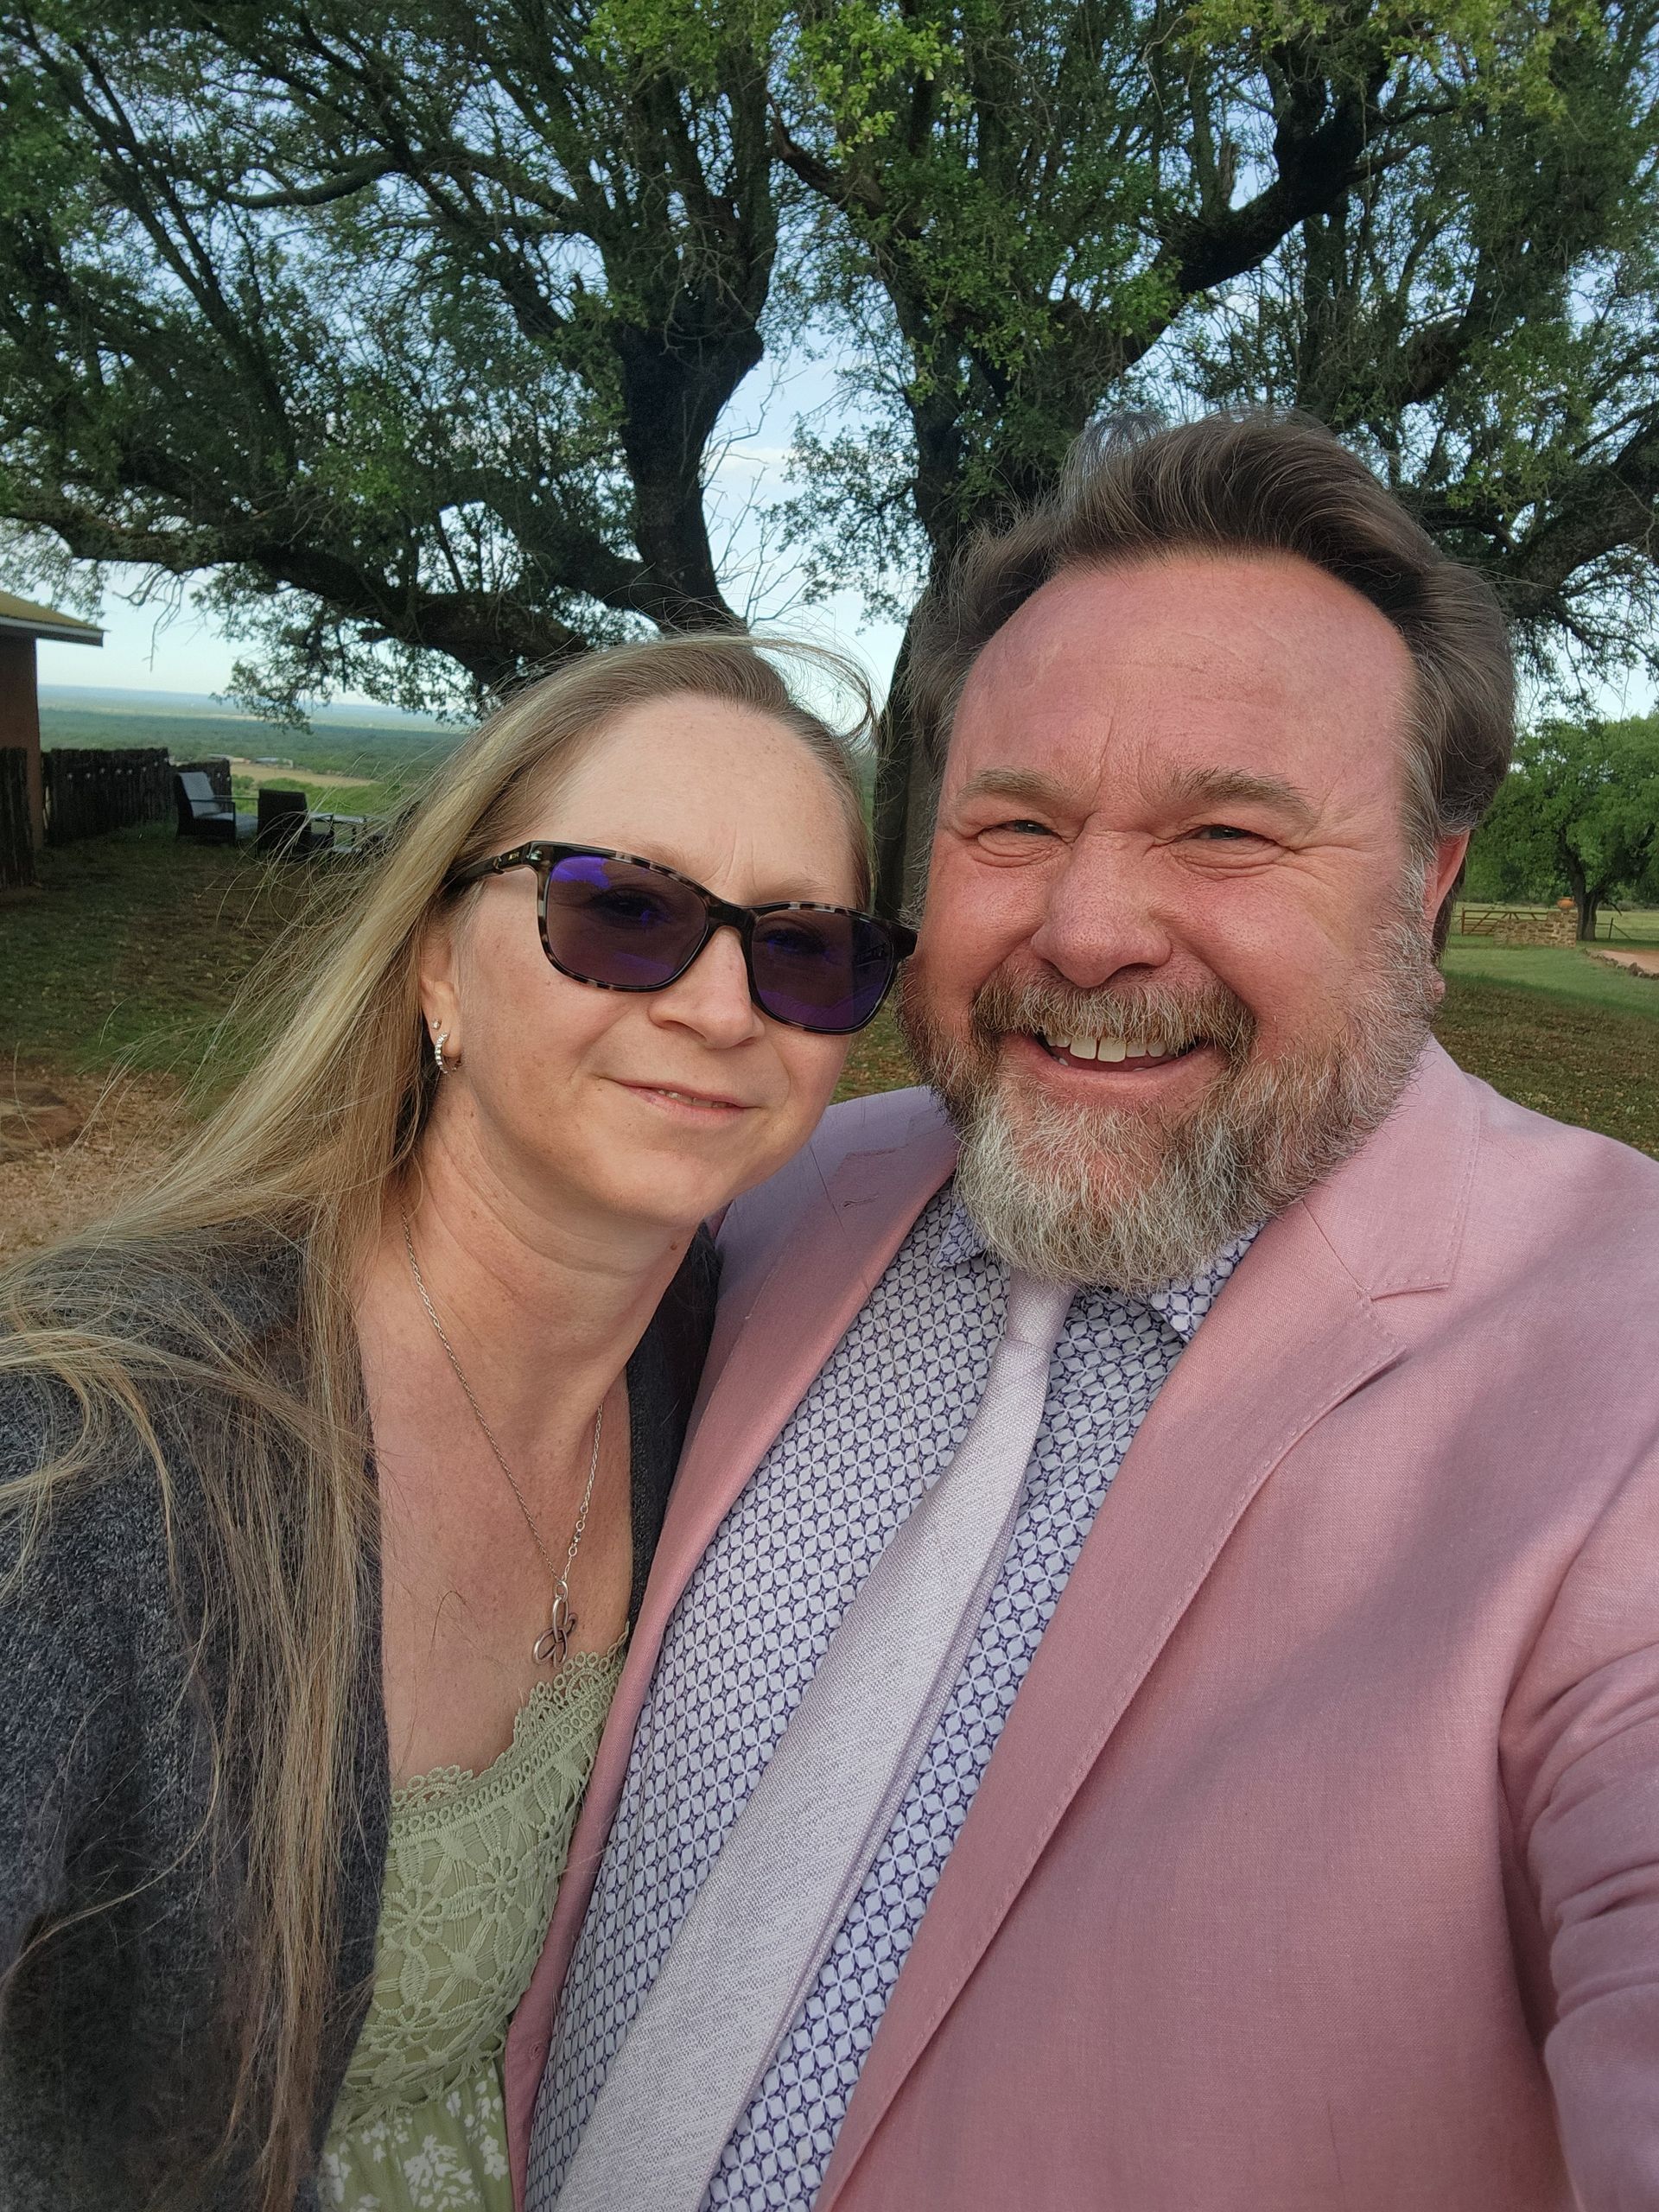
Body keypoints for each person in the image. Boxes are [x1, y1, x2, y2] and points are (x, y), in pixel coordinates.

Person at [513, 414, 1659, 2212]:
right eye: (1016, 822)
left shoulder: (1621, 1370)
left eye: (1224, 829)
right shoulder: (770, 1192)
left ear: (1425, 891)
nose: (1092, 926)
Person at [0, 637, 912, 2212]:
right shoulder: (92, 1455)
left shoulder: (718, 1370)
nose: (716, 1006)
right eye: (621, 911)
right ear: (437, 971)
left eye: (805, 950)